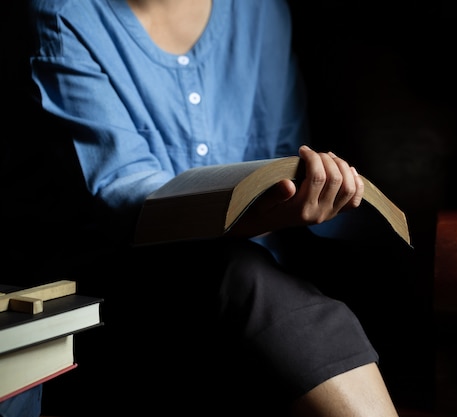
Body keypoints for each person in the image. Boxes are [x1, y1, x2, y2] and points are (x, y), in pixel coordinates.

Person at [9, 0, 419, 415]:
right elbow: (120, 193)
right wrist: (247, 216)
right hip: (125, 286)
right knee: (243, 275)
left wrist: (307, 191)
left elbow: (283, 148)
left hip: (264, 276)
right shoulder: (63, 15)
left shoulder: (260, 10)